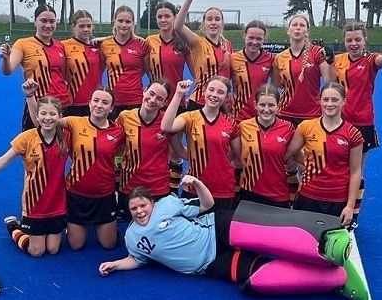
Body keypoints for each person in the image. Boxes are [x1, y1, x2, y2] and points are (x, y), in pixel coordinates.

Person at [98, 176, 368, 300]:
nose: (140, 211)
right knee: (257, 276)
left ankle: (326, 243)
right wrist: (115, 264)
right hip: (210, 263)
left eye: (143, 205)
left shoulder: (167, 204)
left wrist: (198, 184)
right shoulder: (132, 237)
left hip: (215, 229)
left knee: (269, 232)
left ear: (151, 203)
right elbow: (137, 259)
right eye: (134, 208)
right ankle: (334, 277)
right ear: (128, 211)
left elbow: (207, 205)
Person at [0, 96, 70, 257]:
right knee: (37, 251)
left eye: (52, 114)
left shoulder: (66, 137)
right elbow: (2, 161)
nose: (47, 118)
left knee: (53, 249)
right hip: (34, 202)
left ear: (60, 116)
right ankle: (13, 228)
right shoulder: (27, 138)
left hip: (57, 202)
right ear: (36, 116)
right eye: (43, 113)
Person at [24, 81, 125, 250]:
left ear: (112, 108)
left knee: (109, 245)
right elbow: (41, 123)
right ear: (89, 103)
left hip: (104, 196)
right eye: (96, 100)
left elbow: (124, 153)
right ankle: (16, 229)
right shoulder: (74, 122)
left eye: (105, 102)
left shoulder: (119, 131)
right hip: (77, 195)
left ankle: (108, 222)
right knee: (76, 245)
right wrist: (30, 96)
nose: (99, 105)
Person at [333, 23, 382, 221]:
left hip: (362, 124)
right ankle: (336, 208)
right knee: (338, 169)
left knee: (356, 171)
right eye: (349, 40)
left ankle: (352, 215)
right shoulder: (338, 60)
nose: (353, 43)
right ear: (344, 41)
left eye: (357, 39)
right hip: (339, 122)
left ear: (365, 40)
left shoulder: (370, 60)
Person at [285, 83, 363, 228]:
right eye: (325, 99)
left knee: (331, 240)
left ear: (344, 101)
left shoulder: (353, 134)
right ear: (319, 100)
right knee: (305, 238)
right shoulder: (306, 127)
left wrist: (350, 206)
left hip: (337, 199)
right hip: (308, 196)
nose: (329, 104)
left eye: (335, 100)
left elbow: (356, 171)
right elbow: (288, 154)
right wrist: (312, 163)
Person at [161, 77, 240, 210]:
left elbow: (236, 154)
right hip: (193, 186)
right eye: (211, 90)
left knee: (221, 223)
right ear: (204, 91)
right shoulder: (189, 117)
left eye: (220, 92)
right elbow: (166, 126)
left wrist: (217, 158)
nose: (214, 95)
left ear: (226, 97)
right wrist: (179, 94)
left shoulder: (231, 124)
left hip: (223, 189)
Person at [115, 79, 186, 219]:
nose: (153, 100)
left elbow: (178, 155)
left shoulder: (167, 122)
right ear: (144, 91)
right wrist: (115, 183)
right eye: (151, 93)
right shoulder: (125, 117)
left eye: (159, 98)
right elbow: (116, 151)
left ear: (164, 103)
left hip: (158, 189)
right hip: (129, 188)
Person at [0, 4, 71, 130]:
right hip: (38, 106)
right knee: (36, 141)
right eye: (43, 21)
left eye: (52, 21)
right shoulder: (23, 44)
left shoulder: (60, 46)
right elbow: (7, 70)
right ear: (35, 21)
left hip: (62, 105)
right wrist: (5, 59)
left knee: (63, 141)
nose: (48, 25)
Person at [174, 0, 233, 110]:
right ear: (204, 23)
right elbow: (177, 26)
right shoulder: (197, 42)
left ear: (222, 23)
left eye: (217, 19)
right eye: (209, 19)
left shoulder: (227, 45)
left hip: (222, 103)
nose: (213, 22)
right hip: (200, 102)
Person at [238, 85, 295, 207]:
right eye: (262, 105)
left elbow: (299, 158)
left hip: (278, 193)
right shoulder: (243, 126)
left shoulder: (288, 128)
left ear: (278, 106)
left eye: (271, 105)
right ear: (255, 105)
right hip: (249, 192)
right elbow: (233, 157)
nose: (266, 109)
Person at [274, 14, 332, 126]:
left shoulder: (316, 52)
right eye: (294, 25)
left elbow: (329, 81)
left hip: (312, 113)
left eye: (302, 25)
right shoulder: (279, 57)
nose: (298, 28)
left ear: (307, 31)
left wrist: (330, 61)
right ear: (288, 30)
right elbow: (276, 85)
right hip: (285, 113)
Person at [99, 6, 150, 118]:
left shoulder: (142, 44)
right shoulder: (105, 45)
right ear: (114, 21)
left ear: (133, 23)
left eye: (128, 22)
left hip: (135, 101)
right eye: (120, 21)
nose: (124, 25)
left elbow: (148, 72)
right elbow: (99, 72)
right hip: (113, 101)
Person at [230, 20, 278, 122]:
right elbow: (224, 85)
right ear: (244, 36)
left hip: (261, 116)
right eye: (251, 38)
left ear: (264, 39)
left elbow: (275, 86)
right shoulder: (233, 58)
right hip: (238, 116)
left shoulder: (270, 59)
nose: (254, 42)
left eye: (259, 39)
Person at [146, 2, 189, 111]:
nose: (163, 20)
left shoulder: (183, 42)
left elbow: (195, 73)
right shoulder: (149, 41)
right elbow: (146, 70)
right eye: (159, 17)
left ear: (175, 17)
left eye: (167, 16)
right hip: (155, 101)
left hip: (177, 101)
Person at [62, 10, 104, 117]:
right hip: (72, 103)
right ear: (73, 26)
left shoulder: (98, 46)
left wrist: (100, 39)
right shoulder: (64, 46)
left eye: (89, 26)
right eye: (81, 26)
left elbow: (117, 38)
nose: (86, 29)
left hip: (95, 102)